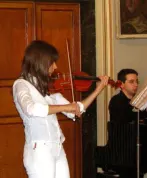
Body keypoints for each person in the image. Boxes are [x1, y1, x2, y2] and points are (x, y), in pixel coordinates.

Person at [12, 40, 109, 178]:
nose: (56, 66)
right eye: (52, 62)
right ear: (41, 61)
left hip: (57, 148)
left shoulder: (46, 89)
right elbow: (31, 109)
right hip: (39, 149)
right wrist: (65, 106)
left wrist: (98, 89)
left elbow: (77, 110)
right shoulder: (21, 84)